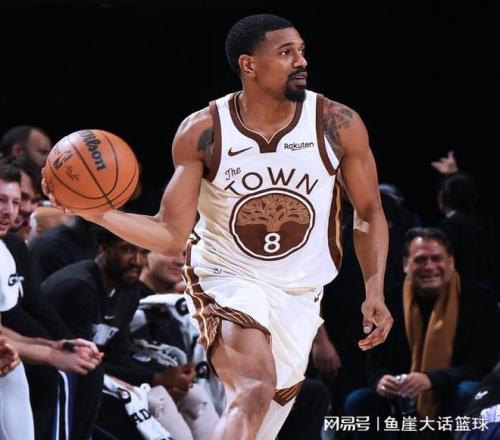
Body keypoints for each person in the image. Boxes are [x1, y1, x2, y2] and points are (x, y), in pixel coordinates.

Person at [44, 14, 393, 439]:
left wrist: (375, 290)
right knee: (253, 388)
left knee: (260, 421)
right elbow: (170, 233)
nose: (301, 60)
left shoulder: (336, 123)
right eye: (286, 52)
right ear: (249, 65)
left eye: (301, 50)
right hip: (227, 278)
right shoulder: (204, 132)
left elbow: (369, 211)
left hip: (300, 292)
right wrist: (98, 213)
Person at [344, 227, 500, 438]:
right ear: (405, 264)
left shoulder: (480, 299)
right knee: (359, 400)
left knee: (468, 390)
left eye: (437, 258)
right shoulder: (388, 302)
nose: (429, 266)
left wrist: (432, 379)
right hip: (402, 396)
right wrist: (381, 380)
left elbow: (486, 364)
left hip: (454, 390)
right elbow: (373, 362)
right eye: (420, 260)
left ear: (451, 261)